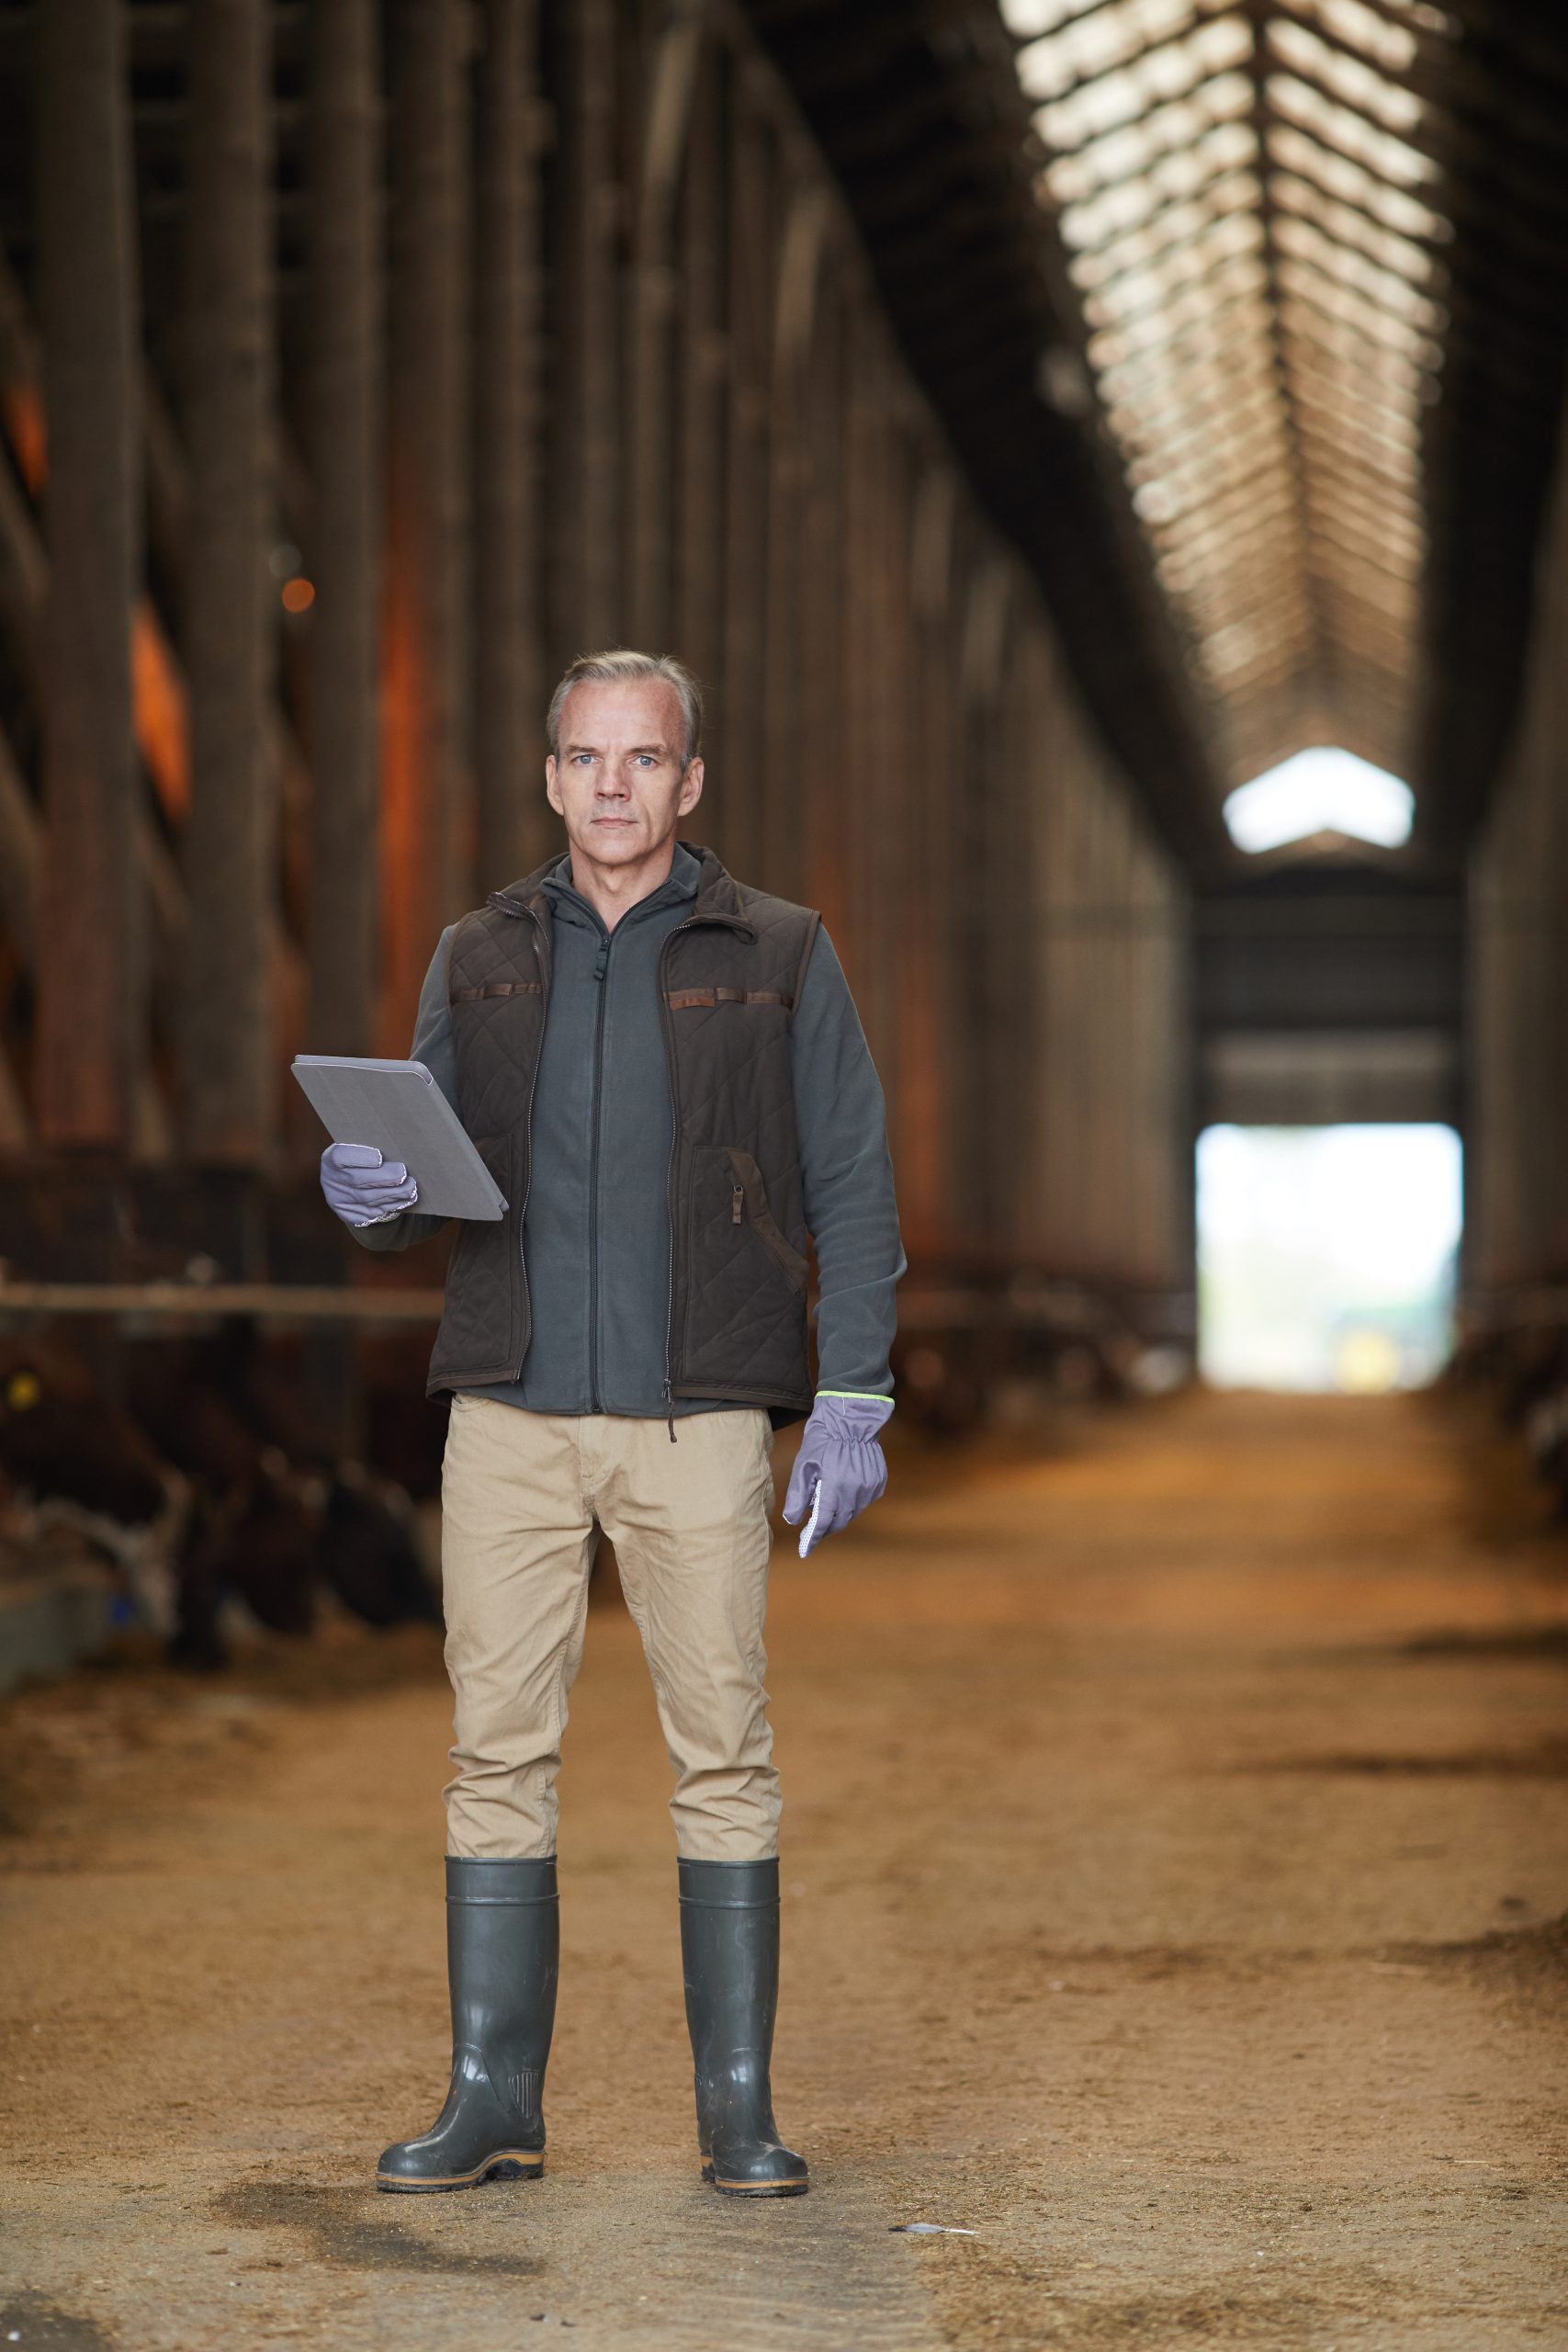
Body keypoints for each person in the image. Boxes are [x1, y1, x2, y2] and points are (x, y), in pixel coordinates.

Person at [320, 649, 905, 2199]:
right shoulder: (477, 954)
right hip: (506, 1410)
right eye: (587, 759)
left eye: (644, 761)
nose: (613, 788)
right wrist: (366, 1194)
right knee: (493, 1749)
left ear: (691, 780)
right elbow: (420, 1169)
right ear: (552, 776)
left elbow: (849, 1168)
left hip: (696, 1413)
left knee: (723, 1753)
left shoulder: (780, 949)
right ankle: (492, 2094)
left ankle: (736, 2109)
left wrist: (853, 1383)